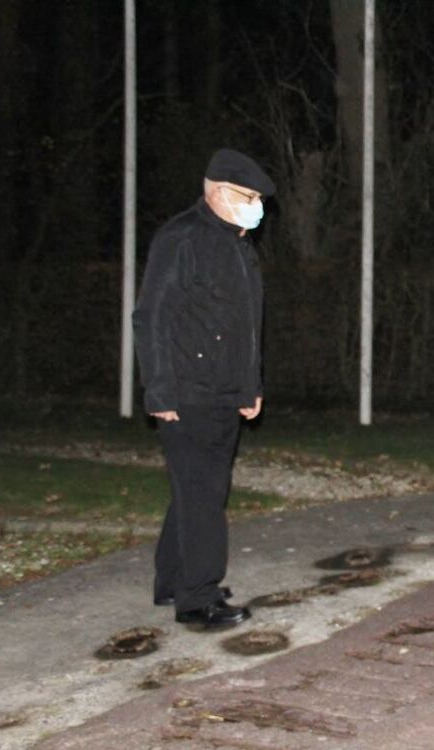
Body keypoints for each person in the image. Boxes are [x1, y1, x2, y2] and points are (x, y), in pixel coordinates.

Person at [133, 148, 274, 629]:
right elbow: (152, 316)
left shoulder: (238, 244)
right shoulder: (182, 239)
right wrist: (160, 391)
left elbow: (247, 326)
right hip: (188, 389)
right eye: (247, 195)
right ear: (216, 191)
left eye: (257, 197)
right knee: (203, 495)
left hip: (223, 390)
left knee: (196, 490)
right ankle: (198, 599)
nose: (255, 204)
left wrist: (250, 385)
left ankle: (173, 580)